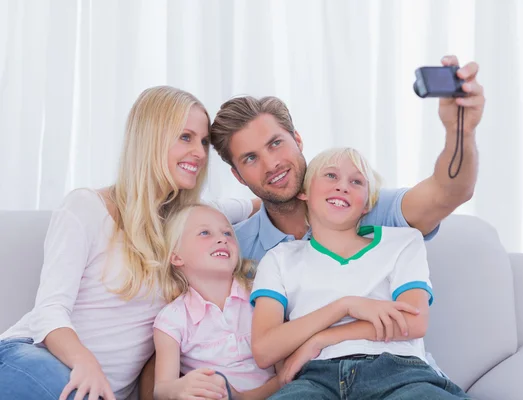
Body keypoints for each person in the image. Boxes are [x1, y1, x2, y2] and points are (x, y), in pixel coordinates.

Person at [0, 86, 258, 400]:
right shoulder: (86, 207)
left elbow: (255, 204)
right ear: (151, 138)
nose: (201, 153)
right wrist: (85, 362)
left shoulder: (190, 224)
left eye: (203, 141)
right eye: (185, 137)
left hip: (102, 392)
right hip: (34, 359)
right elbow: (49, 310)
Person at [210, 56, 484, 265]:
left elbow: (449, 193)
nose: (271, 164)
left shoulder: (362, 205)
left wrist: (460, 132)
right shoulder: (234, 249)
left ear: (298, 140)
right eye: (250, 158)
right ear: (238, 176)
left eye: (276, 143)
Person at [250, 147, 471, 399]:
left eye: (356, 181)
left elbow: (413, 322)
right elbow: (264, 350)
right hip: (314, 380)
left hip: (398, 373)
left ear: (367, 204)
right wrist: (345, 306)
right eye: (331, 176)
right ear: (304, 192)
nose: (343, 186)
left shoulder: (402, 242)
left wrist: (321, 339)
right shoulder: (279, 258)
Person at [153, 203, 282, 400]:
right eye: (205, 233)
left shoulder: (261, 295)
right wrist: (179, 388)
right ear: (176, 256)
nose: (222, 239)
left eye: (228, 233)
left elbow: (285, 375)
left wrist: (244, 398)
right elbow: (161, 390)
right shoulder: (171, 320)